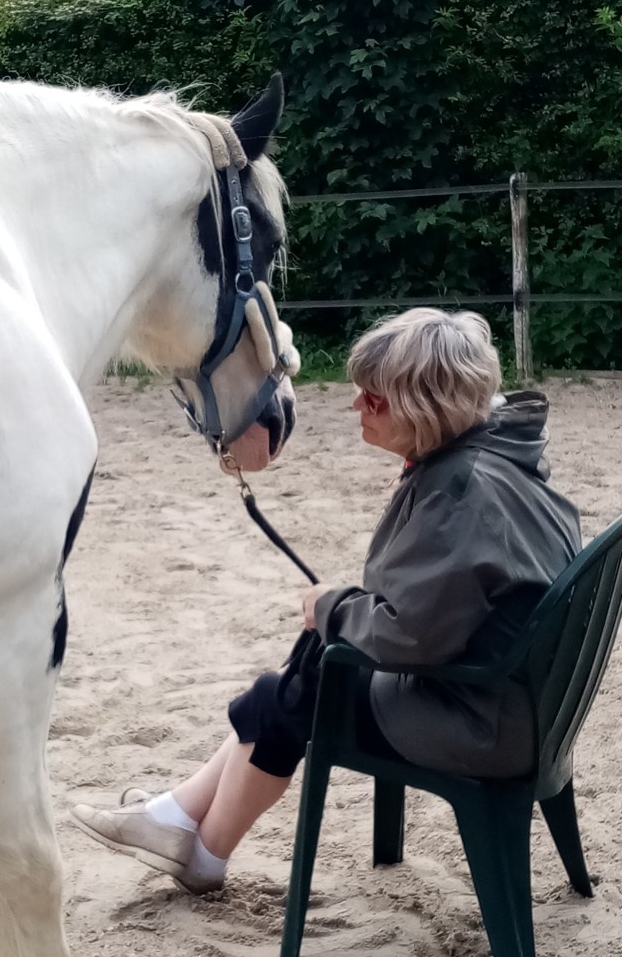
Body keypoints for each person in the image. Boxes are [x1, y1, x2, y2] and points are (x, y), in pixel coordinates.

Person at [70, 307, 582, 895]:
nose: (355, 405)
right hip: (519, 704)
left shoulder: (460, 494)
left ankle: (199, 849)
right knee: (305, 668)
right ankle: (179, 820)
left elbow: (409, 637)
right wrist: (337, 610)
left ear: (425, 406)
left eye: (373, 398)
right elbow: (445, 604)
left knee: (290, 693)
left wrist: (332, 607)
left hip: (481, 724)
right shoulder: (500, 459)